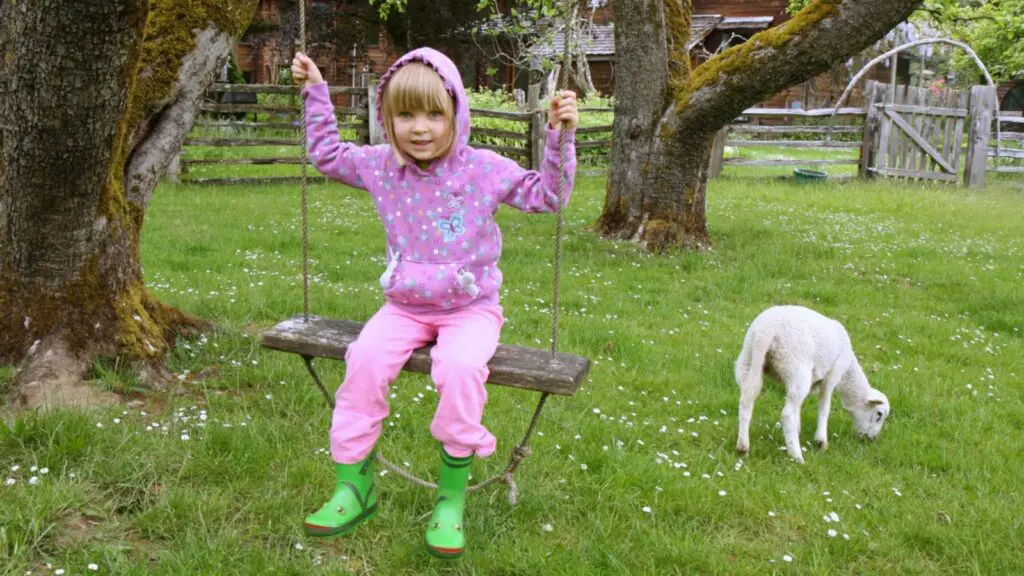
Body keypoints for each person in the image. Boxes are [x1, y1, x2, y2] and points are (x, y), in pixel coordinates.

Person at [291, 47, 579, 559]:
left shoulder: (482, 169)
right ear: (388, 119)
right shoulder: (382, 167)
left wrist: (559, 137)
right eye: (405, 115)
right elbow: (327, 155)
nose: (418, 128)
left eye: (433, 114)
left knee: (462, 369)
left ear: (456, 115)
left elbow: (547, 196)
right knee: (363, 362)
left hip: (471, 309)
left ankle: (450, 501)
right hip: (403, 307)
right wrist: (316, 90)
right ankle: (353, 487)